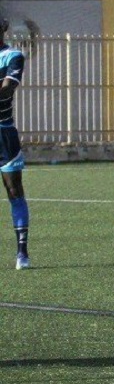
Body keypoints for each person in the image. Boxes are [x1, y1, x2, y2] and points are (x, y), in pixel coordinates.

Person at [0, 18, 30, 270]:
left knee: (14, 191)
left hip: (3, 133)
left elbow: (8, 87)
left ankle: (22, 253)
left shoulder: (13, 55)